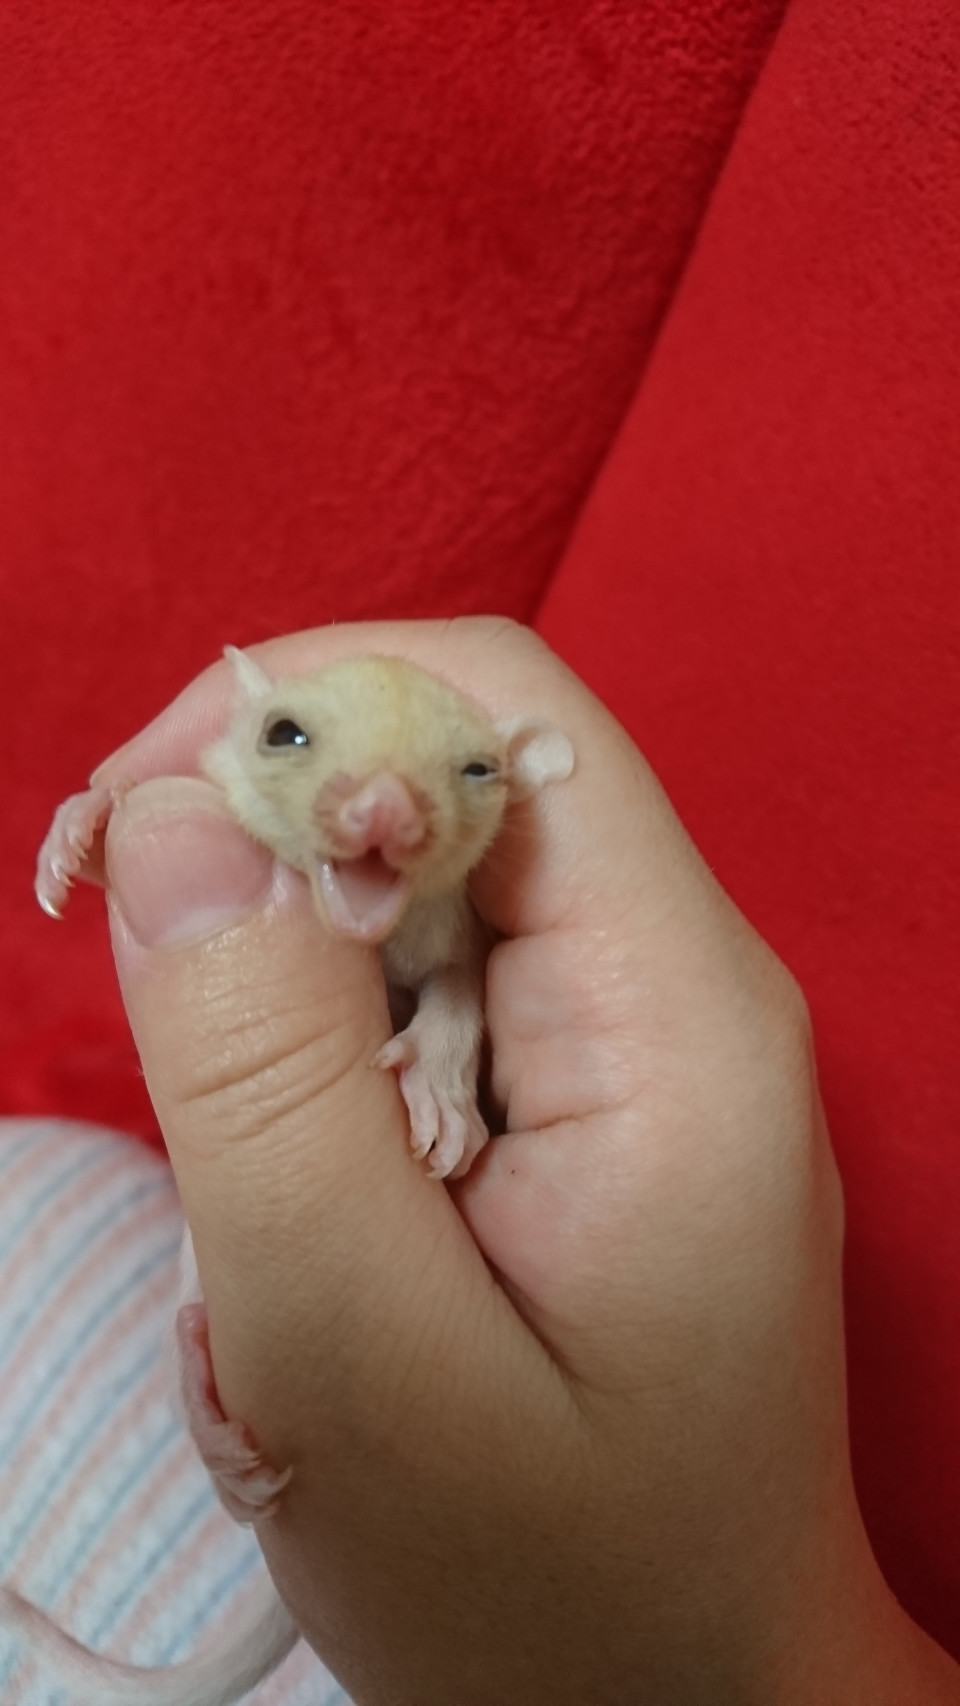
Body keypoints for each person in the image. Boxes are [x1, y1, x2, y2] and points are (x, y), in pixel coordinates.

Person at [90, 617, 960, 1704]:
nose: (382, 808)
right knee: (220, 1256)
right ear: (248, 720)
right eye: (291, 738)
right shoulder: (230, 796)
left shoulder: (457, 916)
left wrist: (446, 1059)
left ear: (517, 782)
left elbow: (451, 980)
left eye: (469, 773)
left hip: (444, 1272)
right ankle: (206, 1411)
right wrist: (98, 810)